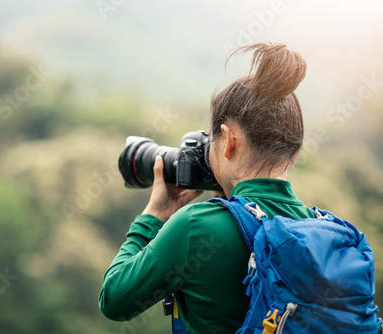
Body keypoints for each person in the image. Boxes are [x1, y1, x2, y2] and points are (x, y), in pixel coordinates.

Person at [99, 43, 311, 333]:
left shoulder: (195, 227)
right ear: (295, 154)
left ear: (229, 140)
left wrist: (153, 216)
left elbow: (114, 300)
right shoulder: (321, 229)